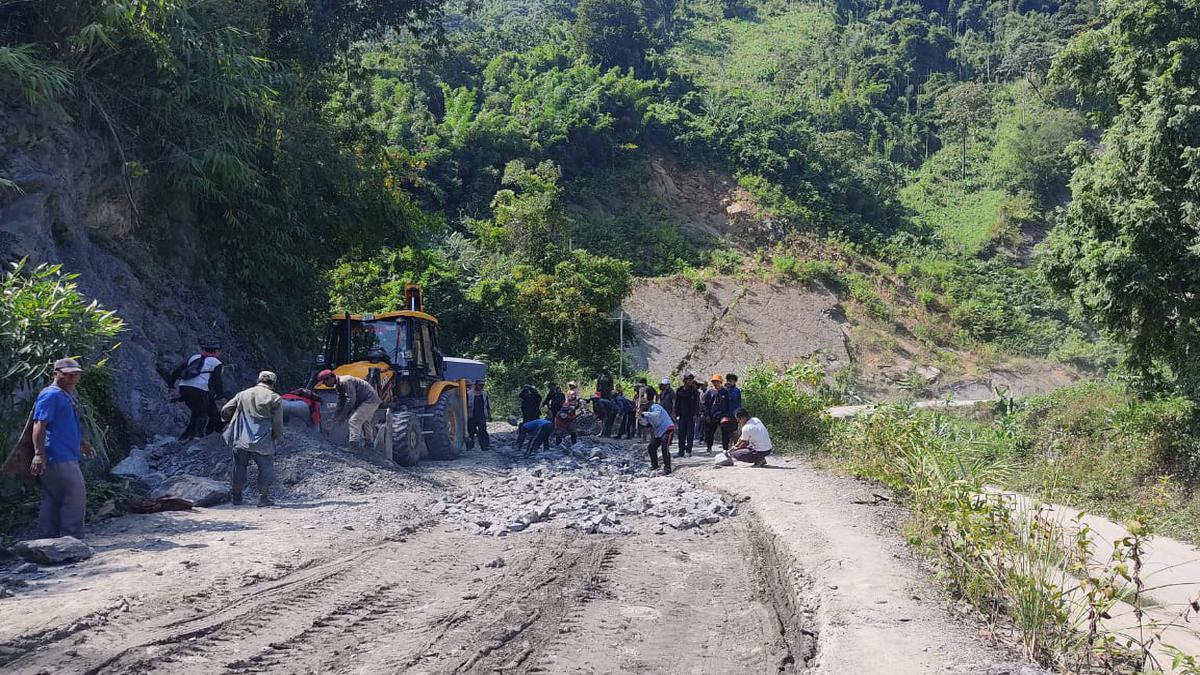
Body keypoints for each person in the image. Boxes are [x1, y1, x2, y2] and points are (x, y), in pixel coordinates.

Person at [30, 358, 93, 539]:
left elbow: (63, 425)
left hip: (62, 453)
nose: (73, 378)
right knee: (75, 495)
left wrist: (80, 443)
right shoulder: (51, 395)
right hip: (57, 455)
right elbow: (39, 425)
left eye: (76, 375)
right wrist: (38, 454)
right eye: (68, 375)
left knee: (53, 497)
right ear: (56, 374)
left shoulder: (64, 394)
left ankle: (47, 539)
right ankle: (71, 539)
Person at [221, 371, 283, 506]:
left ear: (258, 380)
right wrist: (276, 436)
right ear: (272, 383)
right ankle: (263, 498)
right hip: (263, 439)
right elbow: (277, 422)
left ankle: (236, 497)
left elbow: (226, 409)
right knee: (265, 468)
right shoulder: (275, 398)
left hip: (241, 438)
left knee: (239, 466)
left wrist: (230, 420)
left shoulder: (243, 394)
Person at [169, 341, 226, 441]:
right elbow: (217, 381)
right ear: (216, 352)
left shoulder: (194, 357)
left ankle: (186, 435)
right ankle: (197, 436)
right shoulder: (216, 362)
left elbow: (178, 370)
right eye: (219, 351)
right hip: (199, 389)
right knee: (202, 413)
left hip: (184, 387)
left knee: (196, 411)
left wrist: (171, 384)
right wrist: (220, 395)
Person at [316, 369, 381, 454]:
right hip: (365, 401)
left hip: (370, 400)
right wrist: (334, 418)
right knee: (364, 421)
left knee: (354, 420)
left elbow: (351, 400)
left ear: (330, 377)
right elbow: (341, 401)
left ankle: (354, 447)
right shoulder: (339, 386)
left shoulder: (345, 381)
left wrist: (343, 417)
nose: (325, 385)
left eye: (325, 382)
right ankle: (369, 444)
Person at [640, 400, 675, 475]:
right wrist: (640, 418)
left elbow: (656, 415)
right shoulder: (647, 413)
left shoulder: (655, 407)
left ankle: (667, 468)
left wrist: (643, 414)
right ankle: (654, 465)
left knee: (664, 447)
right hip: (658, 432)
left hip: (667, 428)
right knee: (651, 447)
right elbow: (647, 424)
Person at [702, 374, 733, 453]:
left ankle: (725, 448)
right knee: (710, 432)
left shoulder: (725, 392)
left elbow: (728, 404)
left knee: (725, 431)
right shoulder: (709, 392)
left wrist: (728, 415)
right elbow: (705, 404)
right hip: (712, 415)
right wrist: (707, 415)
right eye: (714, 382)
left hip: (722, 415)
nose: (715, 383)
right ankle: (709, 447)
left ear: (721, 382)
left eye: (717, 382)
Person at [673, 372, 700, 458]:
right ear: (684, 380)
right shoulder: (679, 390)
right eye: (689, 379)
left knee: (690, 434)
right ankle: (680, 451)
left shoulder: (694, 391)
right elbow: (677, 403)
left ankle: (688, 451)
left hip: (691, 415)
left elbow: (697, 403)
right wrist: (675, 413)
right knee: (681, 434)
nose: (690, 381)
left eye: (691, 379)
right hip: (682, 415)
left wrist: (696, 414)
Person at [466, 379, 491, 451]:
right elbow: (465, 405)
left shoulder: (484, 394)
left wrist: (489, 415)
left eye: (483, 385)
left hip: (481, 415)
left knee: (483, 431)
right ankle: (469, 446)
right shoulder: (469, 394)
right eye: (480, 385)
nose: (481, 386)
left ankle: (485, 446)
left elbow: (487, 405)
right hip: (471, 415)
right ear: (475, 385)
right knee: (470, 431)